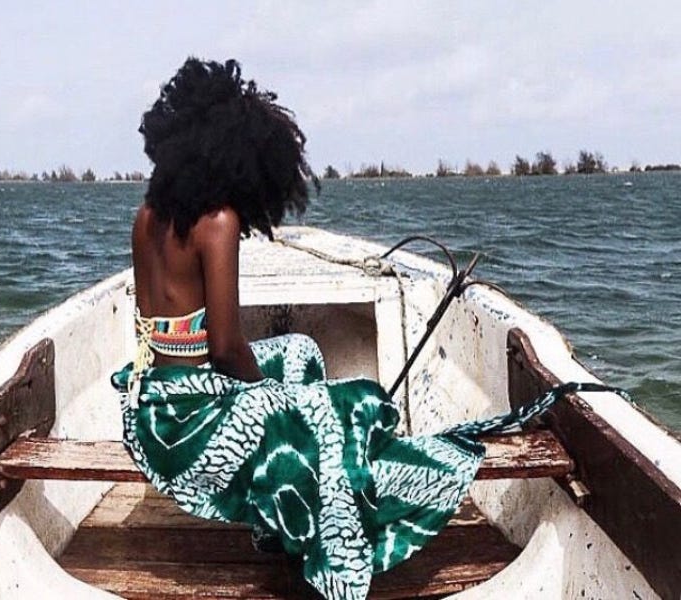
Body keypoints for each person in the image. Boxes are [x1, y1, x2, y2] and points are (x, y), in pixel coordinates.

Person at [111, 58, 624, 600]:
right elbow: (224, 347)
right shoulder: (218, 222)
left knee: (299, 353)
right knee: (331, 409)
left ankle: (282, 518)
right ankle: (332, 554)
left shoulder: (147, 217)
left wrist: (270, 391)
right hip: (193, 424)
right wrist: (277, 401)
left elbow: (172, 334)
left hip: (151, 411)